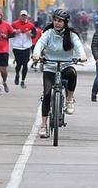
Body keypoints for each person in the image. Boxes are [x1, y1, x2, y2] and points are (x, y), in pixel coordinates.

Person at [32, 8, 87, 139]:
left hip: (65, 66)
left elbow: (79, 46)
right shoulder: (48, 33)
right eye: (55, 20)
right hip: (50, 67)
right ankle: (44, 125)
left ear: (65, 22)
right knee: (46, 95)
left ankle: (69, 99)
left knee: (73, 73)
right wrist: (36, 54)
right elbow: (40, 43)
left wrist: (82, 56)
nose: (57, 23)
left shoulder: (71, 35)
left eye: (60, 21)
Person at [11, 9, 36, 88]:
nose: (23, 17)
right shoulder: (14, 24)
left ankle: (23, 81)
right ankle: (17, 74)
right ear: (20, 16)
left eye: (25, 16)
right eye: (22, 16)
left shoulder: (31, 25)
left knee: (25, 63)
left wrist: (31, 34)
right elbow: (9, 32)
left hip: (26, 46)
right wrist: (15, 32)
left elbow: (34, 34)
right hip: (17, 46)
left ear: (27, 17)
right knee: (19, 63)